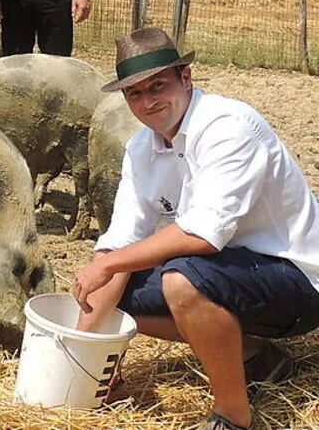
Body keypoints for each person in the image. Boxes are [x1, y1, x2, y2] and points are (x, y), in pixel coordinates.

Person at [72, 27, 319, 430]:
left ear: (186, 78)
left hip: (298, 280)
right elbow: (121, 241)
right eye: (135, 93)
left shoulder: (228, 126)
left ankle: (233, 415)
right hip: (234, 273)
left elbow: (203, 234)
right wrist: (86, 353)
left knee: (181, 280)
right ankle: (256, 357)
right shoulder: (141, 149)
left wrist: (111, 264)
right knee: (116, 293)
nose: (149, 101)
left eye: (158, 86)